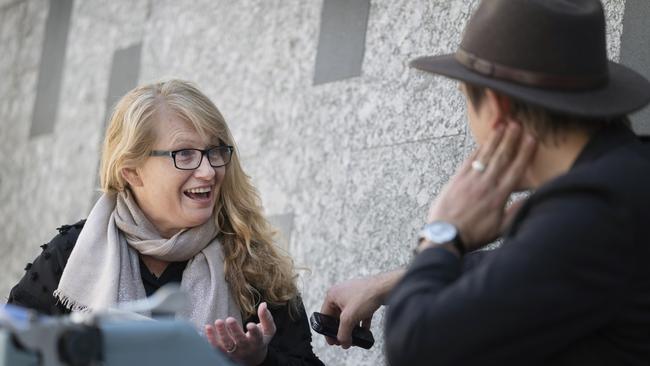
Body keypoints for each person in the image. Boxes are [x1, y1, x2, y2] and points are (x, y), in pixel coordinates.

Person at [320, 0, 650, 365]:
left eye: (465, 100)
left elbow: (418, 347)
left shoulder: (595, 209)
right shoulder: (621, 178)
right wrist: (393, 281)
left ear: (498, 107)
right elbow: (522, 274)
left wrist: (442, 233)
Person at [7, 79, 324, 366]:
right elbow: (10, 349)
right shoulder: (73, 254)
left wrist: (259, 361)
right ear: (132, 172)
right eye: (184, 154)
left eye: (214, 151)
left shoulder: (252, 264)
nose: (209, 171)